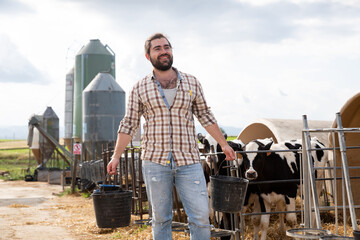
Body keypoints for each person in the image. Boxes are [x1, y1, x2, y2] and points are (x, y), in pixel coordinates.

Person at [107, 33, 235, 240]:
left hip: (189, 161)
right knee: (160, 218)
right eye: (157, 48)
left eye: (167, 47)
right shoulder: (139, 88)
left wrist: (224, 144)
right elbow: (129, 123)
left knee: (201, 216)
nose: (164, 51)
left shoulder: (192, 82)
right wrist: (115, 156)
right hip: (155, 161)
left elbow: (205, 115)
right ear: (148, 56)